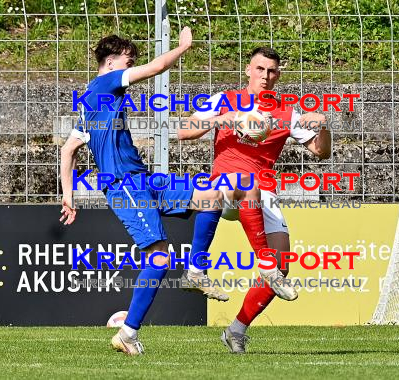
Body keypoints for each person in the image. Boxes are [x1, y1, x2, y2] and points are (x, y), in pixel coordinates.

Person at [59, 28, 256, 356]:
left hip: (144, 181)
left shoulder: (91, 102)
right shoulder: (105, 83)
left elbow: (68, 150)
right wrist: (182, 48)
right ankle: (128, 333)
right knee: (160, 257)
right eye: (126, 59)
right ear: (110, 64)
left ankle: (196, 269)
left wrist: (68, 194)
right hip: (125, 184)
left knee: (215, 195)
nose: (131, 63)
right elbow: (155, 68)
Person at [178, 46, 332, 353]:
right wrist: (225, 119)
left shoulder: (287, 113)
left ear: (278, 75)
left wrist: (323, 125)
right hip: (224, 187)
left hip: (263, 193)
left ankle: (236, 330)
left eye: (271, 71)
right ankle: (196, 268)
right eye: (260, 69)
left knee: (283, 264)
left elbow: (321, 152)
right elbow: (184, 131)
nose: (265, 76)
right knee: (242, 181)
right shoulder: (226, 99)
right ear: (248, 70)